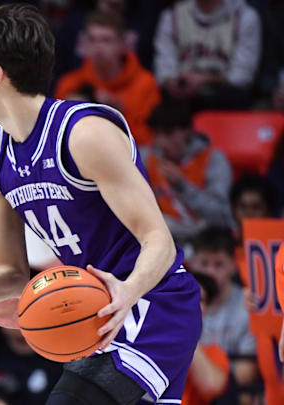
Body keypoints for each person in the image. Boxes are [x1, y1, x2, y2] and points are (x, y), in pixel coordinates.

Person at [0, 4, 201, 405]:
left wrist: (128, 291)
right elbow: (9, 275)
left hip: (152, 303)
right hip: (95, 311)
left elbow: (160, 240)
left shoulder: (84, 135)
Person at [55, 10, 161, 145]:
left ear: (122, 44)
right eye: (92, 39)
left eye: (106, 40)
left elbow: (150, 143)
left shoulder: (146, 84)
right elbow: (57, 137)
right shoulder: (69, 84)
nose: (98, 47)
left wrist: (118, 114)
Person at [141, 101, 234, 243]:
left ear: (187, 132)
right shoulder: (146, 157)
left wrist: (183, 186)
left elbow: (221, 216)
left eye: (168, 133)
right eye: (157, 134)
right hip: (159, 240)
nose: (161, 142)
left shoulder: (213, 159)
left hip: (203, 241)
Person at [188, 227, 259, 401]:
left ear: (233, 265)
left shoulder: (248, 306)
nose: (211, 272)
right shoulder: (175, 306)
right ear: (191, 263)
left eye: (219, 264)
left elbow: (245, 375)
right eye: (204, 263)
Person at [153, 0, 262, 110]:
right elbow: (164, 72)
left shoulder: (244, 15)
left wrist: (205, 80)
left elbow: (242, 77)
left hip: (227, 102)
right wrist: (173, 83)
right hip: (181, 102)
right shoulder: (172, 15)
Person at [181, 272, 229, 405]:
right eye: (186, 297)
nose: (192, 304)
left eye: (200, 299)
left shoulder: (214, 351)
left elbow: (211, 386)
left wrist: (187, 334)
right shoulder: (150, 339)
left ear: (205, 309)